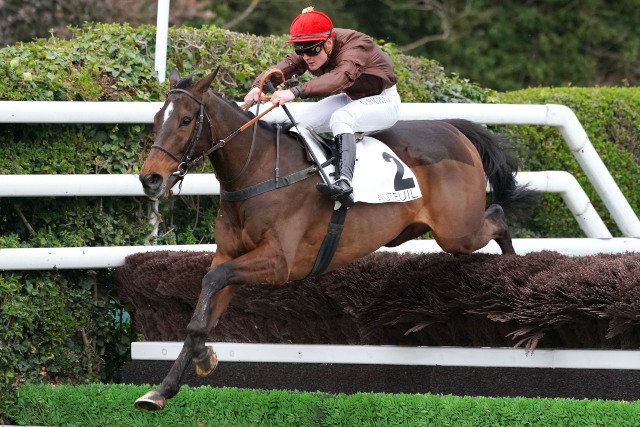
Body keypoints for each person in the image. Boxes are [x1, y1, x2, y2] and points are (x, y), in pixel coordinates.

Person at [244, 6, 401, 207]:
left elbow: (339, 77)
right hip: (352, 98)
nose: (306, 56)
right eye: (300, 50)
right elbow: (288, 64)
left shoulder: (356, 45)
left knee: (341, 118)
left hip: (384, 101)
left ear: (328, 43)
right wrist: (258, 86)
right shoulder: (313, 45)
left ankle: (344, 182)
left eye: (312, 50)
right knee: (301, 124)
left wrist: (294, 91)